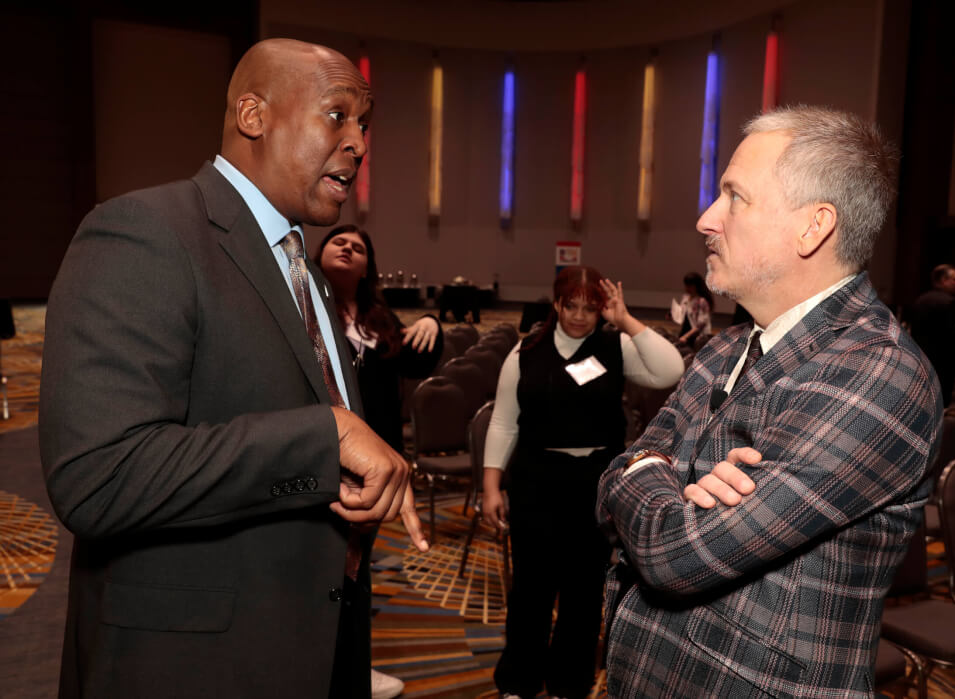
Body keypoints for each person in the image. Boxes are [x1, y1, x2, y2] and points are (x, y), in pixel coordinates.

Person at [39, 39, 427, 699]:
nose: (359, 144)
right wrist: (323, 438)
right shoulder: (144, 231)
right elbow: (97, 475)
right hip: (191, 666)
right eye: (338, 116)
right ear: (254, 115)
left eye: (365, 125)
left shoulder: (305, 269)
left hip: (314, 642)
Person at [597, 106, 942, 697]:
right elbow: (610, 482)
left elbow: (671, 554)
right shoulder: (725, 346)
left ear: (814, 227)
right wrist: (654, 471)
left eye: (735, 197)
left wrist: (648, 469)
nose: (707, 219)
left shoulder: (882, 372)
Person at [481, 266, 684, 699]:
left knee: (584, 589)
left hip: (594, 483)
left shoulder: (615, 346)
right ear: (556, 304)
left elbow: (670, 370)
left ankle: (569, 683)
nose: (578, 316)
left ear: (600, 311)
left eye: (589, 308)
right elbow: (503, 422)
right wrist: (491, 485)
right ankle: (518, 681)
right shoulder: (524, 352)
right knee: (531, 589)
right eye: (570, 306)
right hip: (536, 479)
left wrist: (625, 320)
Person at [316, 224, 444, 699]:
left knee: (356, 572)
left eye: (359, 247)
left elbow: (417, 363)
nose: (348, 249)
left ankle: (353, 668)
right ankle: (317, 671)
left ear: (368, 265)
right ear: (319, 252)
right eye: (339, 242)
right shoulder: (304, 306)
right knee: (318, 569)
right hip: (320, 457)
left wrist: (431, 324)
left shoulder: (377, 318)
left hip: (374, 465)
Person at [907, 263, 955, 403]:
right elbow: (952, 338)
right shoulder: (949, 302)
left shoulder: (920, 300)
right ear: (944, 280)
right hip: (943, 362)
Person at [676, 271, 714, 349]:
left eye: (690, 286)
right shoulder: (685, 298)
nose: (687, 288)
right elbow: (683, 315)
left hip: (697, 336)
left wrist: (686, 336)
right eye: (686, 285)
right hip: (685, 332)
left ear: (696, 286)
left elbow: (700, 325)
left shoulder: (701, 301)